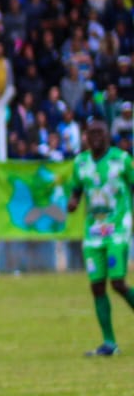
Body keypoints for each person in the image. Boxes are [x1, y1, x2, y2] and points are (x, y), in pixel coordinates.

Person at [65, 118, 134, 356]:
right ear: (85, 137)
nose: (95, 136)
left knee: (117, 283)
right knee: (96, 286)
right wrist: (73, 202)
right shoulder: (80, 163)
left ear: (108, 135)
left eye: (100, 132)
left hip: (118, 227)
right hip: (93, 231)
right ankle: (109, 343)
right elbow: (76, 190)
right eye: (91, 132)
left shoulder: (122, 160)